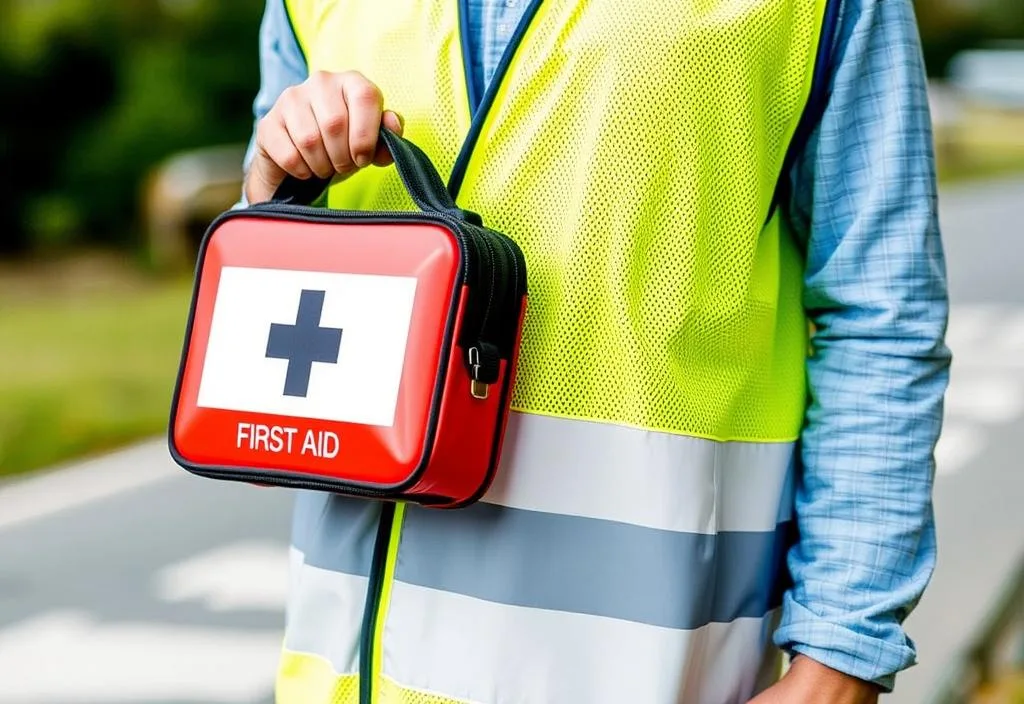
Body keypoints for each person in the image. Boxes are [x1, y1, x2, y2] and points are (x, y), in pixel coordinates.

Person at [240, 0, 951, 701]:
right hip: (352, 679)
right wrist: (278, 186)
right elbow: (263, 305)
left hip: (644, 670)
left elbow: (880, 311)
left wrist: (840, 657)